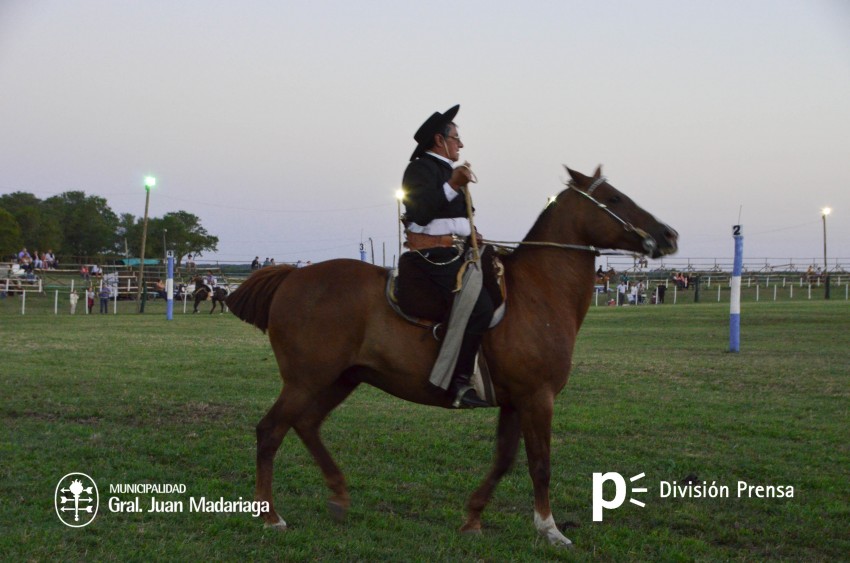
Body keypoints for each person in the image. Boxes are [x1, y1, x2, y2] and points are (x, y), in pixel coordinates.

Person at [399, 104, 491, 408]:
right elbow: (422, 214)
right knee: (478, 307)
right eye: (456, 138)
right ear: (440, 140)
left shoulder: (446, 171)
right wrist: (453, 184)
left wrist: (471, 234)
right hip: (432, 256)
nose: (461, 144)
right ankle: (458, 383)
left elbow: (453, 217)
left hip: (458, 249)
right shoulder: (420, 169)